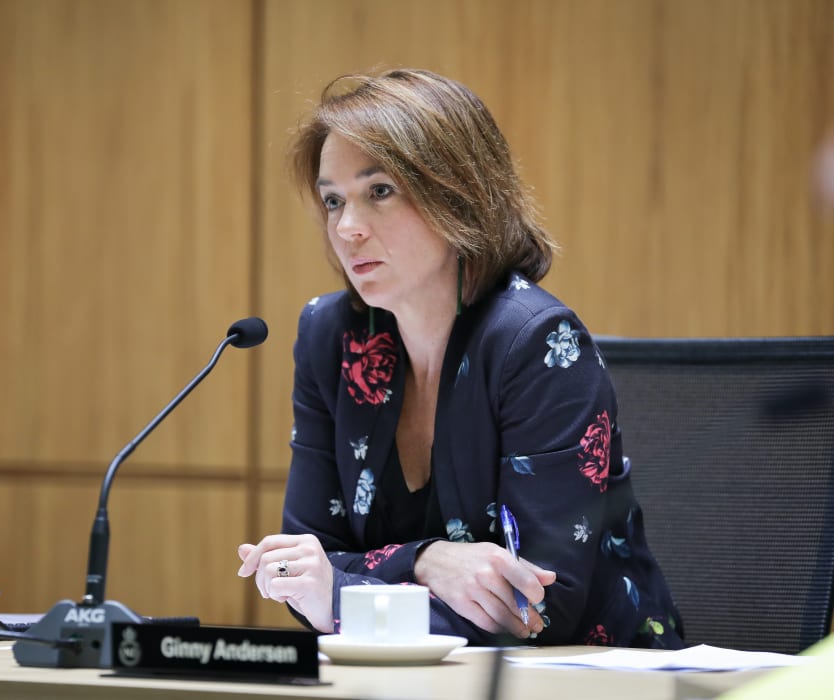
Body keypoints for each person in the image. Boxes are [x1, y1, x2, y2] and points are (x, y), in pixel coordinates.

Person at [237, 68, 684, 648]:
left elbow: (537, 610)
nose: (347, 228)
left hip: (595, 680)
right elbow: (306, 567)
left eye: (379, 191)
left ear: (456, 191)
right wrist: (427, 561)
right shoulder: (332, 337)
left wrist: (343, 594)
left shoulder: (537, 344)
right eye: (332, 200)